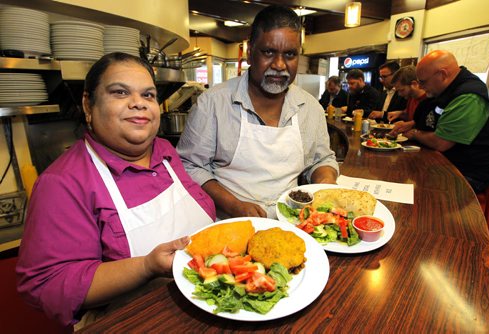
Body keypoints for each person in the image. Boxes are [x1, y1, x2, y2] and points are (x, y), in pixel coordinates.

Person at [16, 52, 216, 328]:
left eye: (148, 95)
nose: (138, 104)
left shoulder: (165, 151)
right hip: (133, 321)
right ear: (88, 105)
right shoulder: (63, 183)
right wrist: (146, 267)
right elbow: (48, 285)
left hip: (206, 304)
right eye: (120, 92)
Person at [176, 5, 339, 219]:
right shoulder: (213, 103)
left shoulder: (311, 108)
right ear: (250, 52)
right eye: (268, 52)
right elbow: (190, 166)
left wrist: (326, 182)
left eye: (289, 54)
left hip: (293, 221)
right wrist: (234, 205)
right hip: (229, 221)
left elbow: (321, 159)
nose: (280, 65)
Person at [407, 50, 489, 193]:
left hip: (467, 173)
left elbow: (441, 142)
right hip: (445, 163)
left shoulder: (469, 96)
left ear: (443, 75)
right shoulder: (445, 90)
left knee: (410, 186)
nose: (420, 87)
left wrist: (414, 133)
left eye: (423, 81)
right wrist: (412, 124)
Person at [388, 65, 439, 135]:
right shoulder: (412, 97)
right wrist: (401, 114)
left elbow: (430, 127)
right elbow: (411, 116)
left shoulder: (430, 100)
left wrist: (410, 125)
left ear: (414, 84)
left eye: (402, 90)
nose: (399, 94)